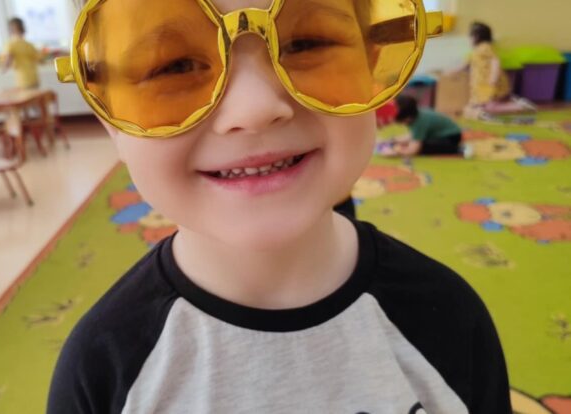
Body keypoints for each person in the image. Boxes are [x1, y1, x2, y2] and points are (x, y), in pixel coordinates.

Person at [48, 1, 511, 413]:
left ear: (370, 63)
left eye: (307, 43)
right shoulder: (101, 368)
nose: (254, 108)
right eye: (174, 66)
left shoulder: (450, 318)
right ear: (108, 117)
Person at [379, 95, 463, 157]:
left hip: (451, 137)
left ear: (407, 118)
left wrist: (396, 152)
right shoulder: (416, 115)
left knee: (423, 147)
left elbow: (413, 150)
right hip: (441, 135)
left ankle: (455, 149)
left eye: (400, 121)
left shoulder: (420, 121)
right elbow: (414, 135)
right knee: (412, 143)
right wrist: (394, 140)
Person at [1, 17, 40, 89]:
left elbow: (8, 59)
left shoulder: (11, 44)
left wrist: (3, 69)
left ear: (11, 29)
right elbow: (40, 60)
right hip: (34, 78)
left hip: (23, 79)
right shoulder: (29, 45)